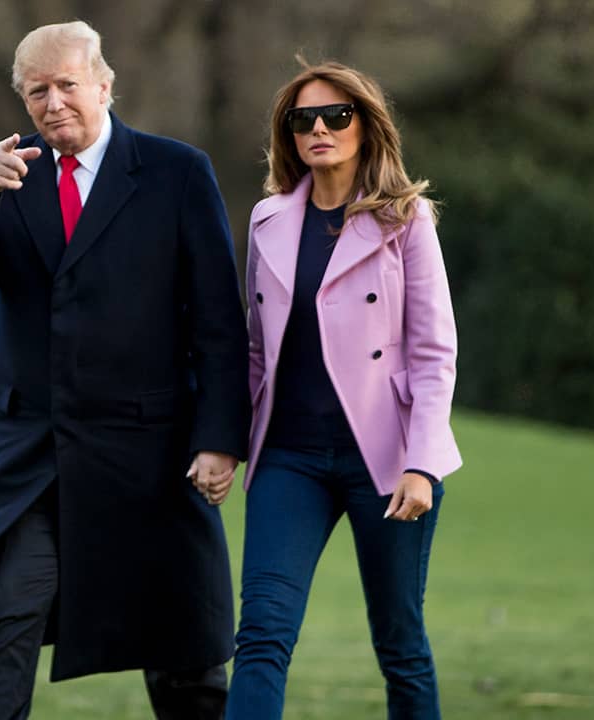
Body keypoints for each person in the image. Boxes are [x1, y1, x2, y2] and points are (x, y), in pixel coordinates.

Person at [0, 21, 249, 720]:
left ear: (104, 85)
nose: (53, 102)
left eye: (66, 84)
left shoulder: (176, 172)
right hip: (34, 457)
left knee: (186, 655)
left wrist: (220, 436)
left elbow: (218, 315)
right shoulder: (2, 167)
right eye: (37, 91)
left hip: (152, 452)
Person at [225, 61, 462, 719]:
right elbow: (254, 348)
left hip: (385, 463)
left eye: (337, 115)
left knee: (400, 643)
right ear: (289, 134)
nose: (320, 129)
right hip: (288, 459)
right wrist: (226, 442)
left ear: (366, 125)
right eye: (304, 119)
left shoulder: (406, 220)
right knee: (262, 636)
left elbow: (434, 351)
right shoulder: (269, 219)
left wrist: (420, 463)